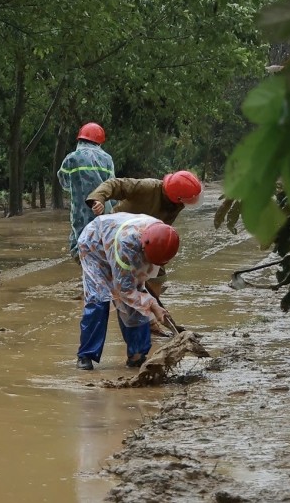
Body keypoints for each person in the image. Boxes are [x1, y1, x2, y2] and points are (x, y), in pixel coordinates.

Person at [75, 212, 179, 370]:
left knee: (136, 305)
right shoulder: (126, 245)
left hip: (123, 243)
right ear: (144, 246)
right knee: (99, 299)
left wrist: (148, 303)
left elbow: (138, 284)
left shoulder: (163, 234)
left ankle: (137, 355)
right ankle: (86, 355)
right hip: (95, 246)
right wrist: (154, 306)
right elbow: (124, 290)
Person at [85, 170, 202, 300]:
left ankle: (152, 307)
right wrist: (98, 199)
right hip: (121, 233)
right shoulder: (147, 187)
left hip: (151, 237)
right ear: (177, 196)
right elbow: (115, 184)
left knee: (158, 274)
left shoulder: (177, 203)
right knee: (119, 275)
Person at [57, 123, 115, 258]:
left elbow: (63, 180)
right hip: (103, 210)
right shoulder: (107, 159)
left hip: (80, 210)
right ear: (99, 142)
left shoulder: (72, 158)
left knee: (79, 244)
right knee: (102, 242)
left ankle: (88, 270)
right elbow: (112, 185)